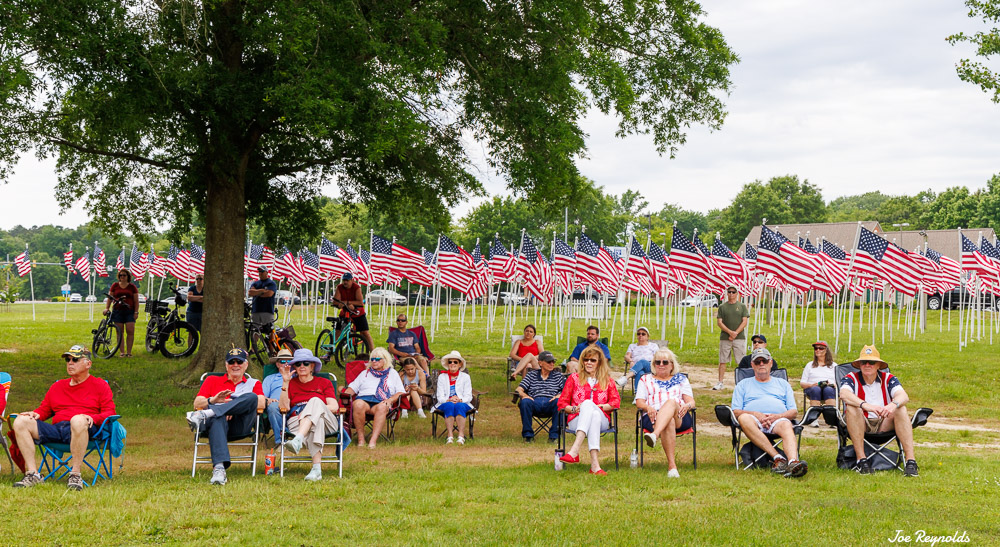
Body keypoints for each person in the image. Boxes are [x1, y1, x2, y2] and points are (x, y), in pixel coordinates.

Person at [12, 345, 116, 490]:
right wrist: (36, 414)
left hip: (84, 429)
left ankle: (75, 475)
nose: (70, 363)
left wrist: (91, 418)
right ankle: (33, 474)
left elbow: (110, 412)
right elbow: (45, 409)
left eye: (75, 359)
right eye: (68, 359)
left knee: (77, 420)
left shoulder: (99, 385)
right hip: (57, 430)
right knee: (21, 421)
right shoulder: (58, 386)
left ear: (88, 364)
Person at [186, 347, 265, 485]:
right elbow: (197, 403)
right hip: (215, 426)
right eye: (232, 362)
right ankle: (219, 469)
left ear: (246, 365)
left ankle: (210, 412)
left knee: (252, 397)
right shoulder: (211, 380)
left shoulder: (253, 383)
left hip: (239, 426)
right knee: (218, 418)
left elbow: (261, 403)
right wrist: (213, 400)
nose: (235, 365)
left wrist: (225, 409)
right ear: (226, 365)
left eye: (239, 362)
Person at [839, 345, 918, 477]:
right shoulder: (851, 378)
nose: (867, 365)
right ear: (859, 365)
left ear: (878, 365)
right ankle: (861, 460)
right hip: (861, 422)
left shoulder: (888, 378)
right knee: (852, 408)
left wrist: (892, 406)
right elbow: (844, 394)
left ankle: (910, 461)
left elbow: (904, 396)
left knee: (901, 409)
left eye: (872, 362)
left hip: (884, 421)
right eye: (864, 362)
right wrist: (866, 406)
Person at [730, 347, 807, 477]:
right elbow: (736, 411)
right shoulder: (742, 385)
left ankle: (793, 462)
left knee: (787, 424)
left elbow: (793, 412)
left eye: (764, 361)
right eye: (758, 361)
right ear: (752, 365)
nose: (761, 364)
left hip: (778, 420)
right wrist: (756, 414)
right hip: (753, 421)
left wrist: (778, 416)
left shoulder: (783, 384)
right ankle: (778, 458)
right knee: (743, 418)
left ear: (770, 363)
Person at [279, 349, 341, 481]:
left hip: (327, 419)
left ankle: (298, 439)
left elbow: (334, 407)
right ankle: (316, 470)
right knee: (316, 422)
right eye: (298, 363)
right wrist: (285, 382)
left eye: (306, 363)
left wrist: (313, 409)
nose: (302, 366)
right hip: (298, 420)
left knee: (315, 402)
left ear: (312, 366)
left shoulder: (324, 382)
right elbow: (283, 407)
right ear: (294, 366)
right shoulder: (291, 384)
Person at [557, 347, 621, 475]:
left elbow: (615, 402)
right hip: (577, 419)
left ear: (599, 363)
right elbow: (562, 403)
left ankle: (574, 450)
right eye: (586, 360)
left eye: (593, 360)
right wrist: (575, 408)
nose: (589, 363)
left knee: (592, 407)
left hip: (603, 419)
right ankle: (595, 466)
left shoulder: (608, 381)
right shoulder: (574, 378)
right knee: (594, 414)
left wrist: (599, 406)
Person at [634, 348, 695, 478]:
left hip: (680, 416)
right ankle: (672, 467)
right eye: (657, 362)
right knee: (669, 421)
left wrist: (687, 405)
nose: (661, 365)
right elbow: (639, 402)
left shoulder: (681, 379)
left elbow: (691, 402)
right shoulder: (645, 379)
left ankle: (654, 435)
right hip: (652, 416)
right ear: (653, 364)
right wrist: (648, 407)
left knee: (671, 402)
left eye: (665, 362)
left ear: (672, 364)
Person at [342, 347, 404, 449]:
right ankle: (361, 440)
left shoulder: (392, 374)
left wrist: (390, 400)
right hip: (364, 400)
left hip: (382, 401)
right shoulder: (365, 373)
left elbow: (400, 392)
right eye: (372, 359)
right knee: (358, 404)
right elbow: (352, 388)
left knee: (382, 407)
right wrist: (343, 393)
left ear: (385, 360)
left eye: (377, 359)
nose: (374, 361)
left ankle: (372, 441)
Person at [515, 350, 565, 442]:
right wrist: (524, 395)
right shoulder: (531, 375)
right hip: (534, 402)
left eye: (553, 361)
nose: (552, 364)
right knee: (525, 401)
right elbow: (519, 389)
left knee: (559, 402)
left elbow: (566, 391)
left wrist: (559, 395)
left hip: (551, 402)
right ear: (540, 363)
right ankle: (528, 436)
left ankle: (554, 436)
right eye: (549, 362)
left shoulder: (558, 376)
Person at [434, 351, 474, 445]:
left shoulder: (465, 377)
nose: (452, 364)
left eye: (455, 362)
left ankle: (461, 436)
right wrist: (449, 399)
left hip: (462, 402)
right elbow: (440, 396)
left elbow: (468, 395)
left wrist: (460, 399)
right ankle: (450, 435)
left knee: (460, 406)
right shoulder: (442, 377)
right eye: (450, 362)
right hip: (446, 402)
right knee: (449, 406)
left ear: (460, 364)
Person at [262, 348, 295, 455]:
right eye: (282, 361)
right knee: (272, 407)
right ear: (277, 364)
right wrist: (268, 399)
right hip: (276, 406)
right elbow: (262, 396)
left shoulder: (297, 377)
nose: (286, 363)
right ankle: (281, 441)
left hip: (295, 405)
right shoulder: (270, 378)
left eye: (289, 361)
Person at [715, 286, 749, 390]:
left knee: (741, 361)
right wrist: (730, 332)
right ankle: (720, 382)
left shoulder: (742, 306)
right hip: (725, 338)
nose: (731, 294)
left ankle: (742, 383)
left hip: (739, 338)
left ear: (737, 293)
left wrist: (736, 333)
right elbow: (719, 322)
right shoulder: (722, 307)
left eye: (733, 292)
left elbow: (744, 321)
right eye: (729, 292)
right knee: (723, 360)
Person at [333, 272, 375, 356]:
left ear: (352, 280)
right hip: (345, 313)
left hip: (357, 313)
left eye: (347, 280)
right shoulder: (339, 287)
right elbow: (335, 301)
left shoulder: (356, 287)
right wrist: (339, 304)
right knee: (337, 331)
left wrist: (347, 303)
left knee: (365, 333)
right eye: (344, 280)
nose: (345, 282)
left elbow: (360, 303)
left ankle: (374, 354)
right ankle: (330, 351)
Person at [800, 340, 837, 427]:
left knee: (828, 389)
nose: (818, 350)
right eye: (816, 348)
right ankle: (814, 418)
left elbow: (839, 382)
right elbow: (802, 383)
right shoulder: (810, 365)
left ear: (826, 350)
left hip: (829, 389)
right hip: (813, 388)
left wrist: (833, 384)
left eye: (821, 348)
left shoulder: (834, 366)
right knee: (816, 389)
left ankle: (832, 419)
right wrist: (811, 385)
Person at [104, 269, 139, 357]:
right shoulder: (115, 285)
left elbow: (136, 301)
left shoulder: (132, 287)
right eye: (120, 275)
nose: (122, 277)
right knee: (119, 332)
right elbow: (110, 297)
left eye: (124, 275)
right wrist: (107, 308)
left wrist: (136, 312)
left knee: (130, 330)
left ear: (128, 277)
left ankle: (129, 352)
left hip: (129, 311)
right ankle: (122, 352)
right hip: (117, 311)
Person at [615, 326, 659, 390]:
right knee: (640, 372)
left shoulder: (653, 346)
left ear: (647, 336)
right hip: (637, 368)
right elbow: (626, 356)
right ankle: (637, 396)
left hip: (651, 367)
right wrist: (631, 361)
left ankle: (626, 378)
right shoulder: (632, 346)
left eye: (643, 334)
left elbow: (658, 357)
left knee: (642, 361)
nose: (640, 335)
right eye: (638, 334)